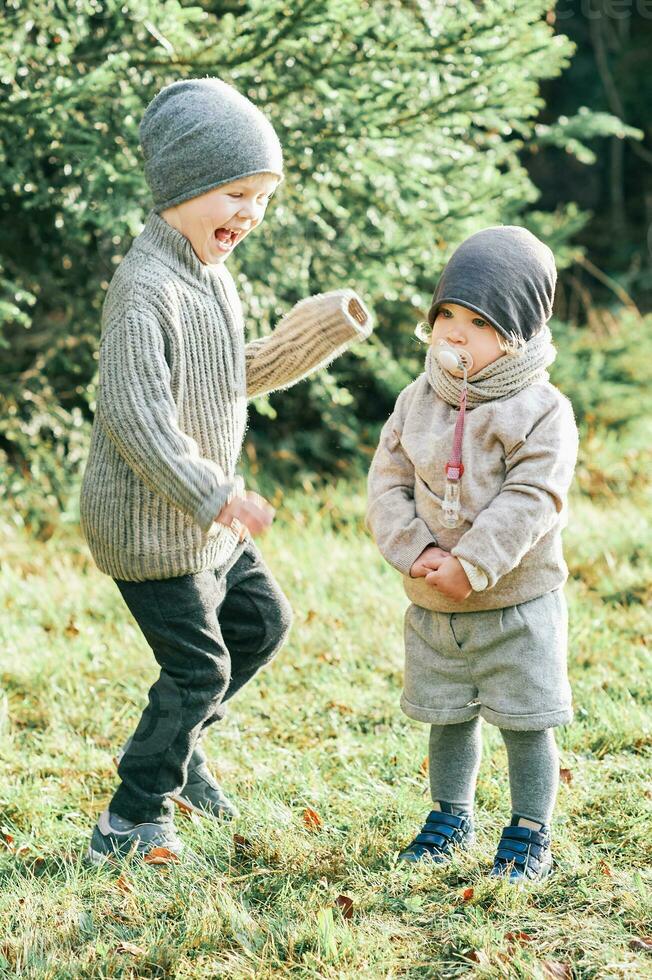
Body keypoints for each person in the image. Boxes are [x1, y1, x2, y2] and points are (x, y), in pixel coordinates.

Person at [80, 77, 372, 863]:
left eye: (264, 198)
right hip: (150, 527)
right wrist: (217, 493)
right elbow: (138, 419)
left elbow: (223, 374)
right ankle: (130, 819)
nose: (250, 213)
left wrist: (312, 334)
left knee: (262, 623)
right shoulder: (144, 289)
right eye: (236, 193)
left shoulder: (209, 275)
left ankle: (182, 749)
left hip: (207, 519)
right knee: (199, 666)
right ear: (181, 184)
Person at [366, 226, 578, 882]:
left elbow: (532, 499)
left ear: (516, 334)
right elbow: (387, 481)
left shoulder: (541, 411)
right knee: (447, 713)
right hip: (435, 602)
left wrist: (474, 563)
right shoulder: (416, 400)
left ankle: (529, 829)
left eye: (478, 322)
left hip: (516, 602)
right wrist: (416, 550)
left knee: (525, 718)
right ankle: (450, 815)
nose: (454, 333)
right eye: (446, 316)